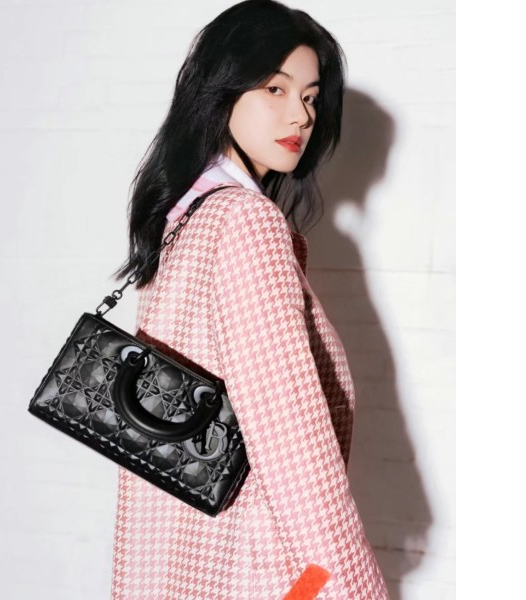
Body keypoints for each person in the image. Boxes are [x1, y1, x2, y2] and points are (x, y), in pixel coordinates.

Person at [110, 1, 389, 598]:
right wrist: (353, 583)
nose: (301, 115)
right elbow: (290, 438)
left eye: (311, 97)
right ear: (222, 91)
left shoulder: (185, 216)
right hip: (261, 563)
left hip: (180, 554)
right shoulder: (245, 223)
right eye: (274, 89)